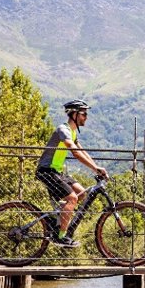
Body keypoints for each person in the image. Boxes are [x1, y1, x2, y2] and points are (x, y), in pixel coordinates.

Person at [35, 99, 108, 248]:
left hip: (57, 171)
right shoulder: (63, 130)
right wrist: (95, 169)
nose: (86, 117)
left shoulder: (72, 132)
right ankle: (60, 236)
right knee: (72, 199)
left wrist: (96, 166)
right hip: (47, 171)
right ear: (74, 114)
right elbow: (74, 152)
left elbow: (82, 151)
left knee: (81, 193)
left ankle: (58, 217)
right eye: (83, 114)